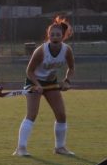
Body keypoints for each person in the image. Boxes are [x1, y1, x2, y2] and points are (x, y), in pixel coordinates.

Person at [14, 19, 76, 157]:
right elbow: (29, 71)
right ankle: (21, 148)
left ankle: (60, 148)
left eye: (58, 35)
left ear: (63, 36)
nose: (55, 37)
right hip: (33, 81)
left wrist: (67, 81)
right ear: (48, 36)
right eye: (52, 35)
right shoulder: (41, 51)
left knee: (61, 115)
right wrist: (37, 85)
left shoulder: (67, 50)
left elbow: (71, 68)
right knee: (32, 115)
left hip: (50, 83)